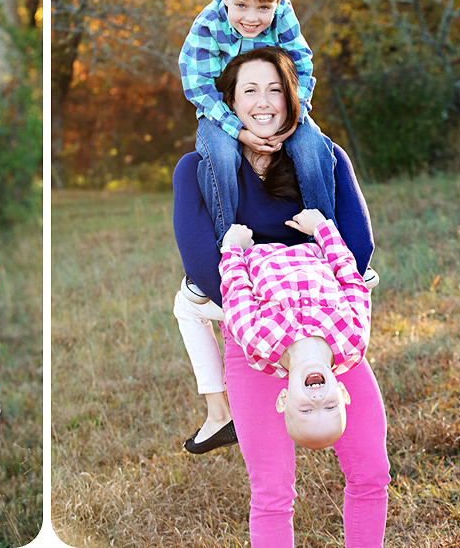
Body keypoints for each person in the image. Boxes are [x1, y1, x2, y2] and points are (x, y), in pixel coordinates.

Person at [173, 47, 390, 546]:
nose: (264, 102)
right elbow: (202, 264)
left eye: (275, 89)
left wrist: (313, 312)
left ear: (293, 98)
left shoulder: (324, 157)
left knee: (372, 474)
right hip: (256, 343)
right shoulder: (197, 170)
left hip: (330, 339)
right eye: (250, 90)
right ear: (228, 101)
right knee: (271, 492)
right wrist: (264, 310)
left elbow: (358, 247)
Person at [178, 0, 336, 248]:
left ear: (278, 1)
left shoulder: (283, 15)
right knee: (221, 155)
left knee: (311, 146)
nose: (252, 18)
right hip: (222, 114)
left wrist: (295, 115)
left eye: (264, 8)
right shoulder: (209, 24)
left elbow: (302, 64)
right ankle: (226, 243)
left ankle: (327, 240)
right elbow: (198, 84)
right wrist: (238, 131)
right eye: (241, 6)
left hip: (277, 110)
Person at [218, 209, 371, 450]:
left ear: (283, 399)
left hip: (253, 242)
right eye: (330, 407)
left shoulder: (258, 342)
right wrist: (323, 229)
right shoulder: (353, 340)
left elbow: (236, 291)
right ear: (343, 393)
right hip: (309, 233)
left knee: (221, 180)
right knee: (312, 171)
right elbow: (350, 280)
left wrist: (233, 247)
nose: (317, 398)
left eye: (306, 409)